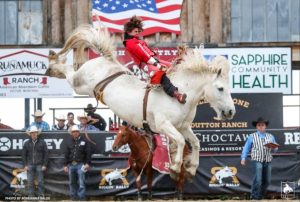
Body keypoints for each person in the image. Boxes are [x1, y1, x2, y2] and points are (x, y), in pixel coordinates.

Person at [123, 15, 187, 104]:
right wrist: (158, 65)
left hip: (152, 62)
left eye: (138, 31)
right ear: (129, 32)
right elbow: (145, 56)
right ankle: (177, 95)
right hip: (147, 65)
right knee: (161, 75)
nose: (137, 33)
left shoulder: (135, 41)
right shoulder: (131, 43)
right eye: (135, 31)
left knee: (175, 66)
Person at [241, 117, 279, 200]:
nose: (261, 126)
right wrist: (243, 158)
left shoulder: (270, 136)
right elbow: (246, 148)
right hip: (256, 160)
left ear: (265, 126)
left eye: (263, 125)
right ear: (256, 127)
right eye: (259, 125)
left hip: (267, 160)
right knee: (258, 180)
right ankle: (254, 197)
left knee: (267, 181)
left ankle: (260, 196)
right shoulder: (252, 136)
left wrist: (275, 147)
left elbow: (275, 149)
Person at [63, 125, 91, 200]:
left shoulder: (85, 141)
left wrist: (87, 163)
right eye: (73, 132)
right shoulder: (68, 141)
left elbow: (88, 153)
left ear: (79, 132)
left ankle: (81, 198)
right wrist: (65, 165)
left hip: (81, 165)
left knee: (81, 183)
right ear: (71, 133)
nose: (75, 133)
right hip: (71, 165)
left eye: (76, 131)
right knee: (72, 182)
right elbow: (66, 153)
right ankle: (73, 198)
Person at [22, 126, 48, 197]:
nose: (34, 134)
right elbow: (23, 155)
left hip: (39, 165)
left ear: (37, 133)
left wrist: (44, 165)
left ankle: (41, 197)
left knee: (40, 182)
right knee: (30, 182)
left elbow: (46, 154)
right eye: (32, 133)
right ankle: (31, 197)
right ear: (30, 134)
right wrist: (25, 165)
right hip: (29, 165)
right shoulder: (26, 143)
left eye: (35, 133)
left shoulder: (43, 143)